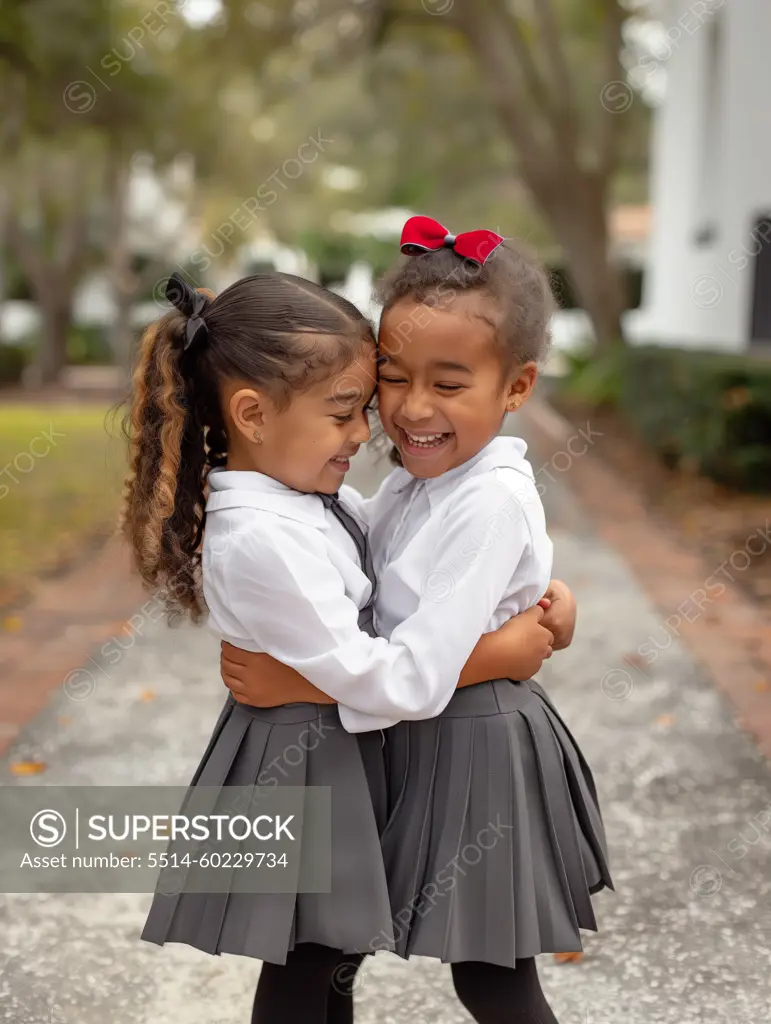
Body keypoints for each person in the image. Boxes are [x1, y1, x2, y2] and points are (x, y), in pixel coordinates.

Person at [121, 269, 563, 1024]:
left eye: (362, 407)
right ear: (253, 415)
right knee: (311, 959)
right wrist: (503, 649)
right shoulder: (267, 534)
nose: (366, 432)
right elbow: (381, 668)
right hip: (305, 759)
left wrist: (539, 592)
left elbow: (404, 560)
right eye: (345, 410)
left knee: (329, 959)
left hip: (331, 742)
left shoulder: (305, 501)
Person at [221, 217, 613, 1024]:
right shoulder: (416, 482)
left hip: (474, 738)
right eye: (393, 378)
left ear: (516, 388)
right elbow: (369, 558)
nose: (410, 408)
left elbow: (419, 671)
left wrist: (294, 676)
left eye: (449, 382)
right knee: (326, 950)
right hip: (420, 730)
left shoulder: (487, 498)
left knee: (492, 975)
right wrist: (545, 595)